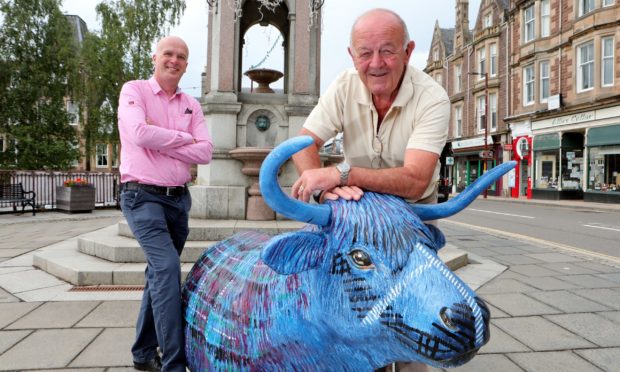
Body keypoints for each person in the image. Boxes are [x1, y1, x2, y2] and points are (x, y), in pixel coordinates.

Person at [291, 8, 450, 372]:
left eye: (388, 51)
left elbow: (415, 180)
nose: (375, 63)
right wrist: (325, 189)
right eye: (365, 53)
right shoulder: (345, 84)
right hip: (357, 221)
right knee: (353, 314)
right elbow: (303, 142)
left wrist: (342, 175)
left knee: (410, 322)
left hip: (411, 219)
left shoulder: (433, 98)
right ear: (352, 55)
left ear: (408, 52)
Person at [117, 35, 213, 372]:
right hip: (141, 196)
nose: (174, 60)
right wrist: (185, 138)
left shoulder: (192, 104)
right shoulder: (134, 91)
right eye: (168, 54)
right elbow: (139, 134)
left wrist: (164, 139)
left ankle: (143, 353)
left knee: (158, 274)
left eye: (182, 57)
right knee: (168, 270)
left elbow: (206, 152)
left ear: (187, 64)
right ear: (155, 56)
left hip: (178, 201)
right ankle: (174, 364)